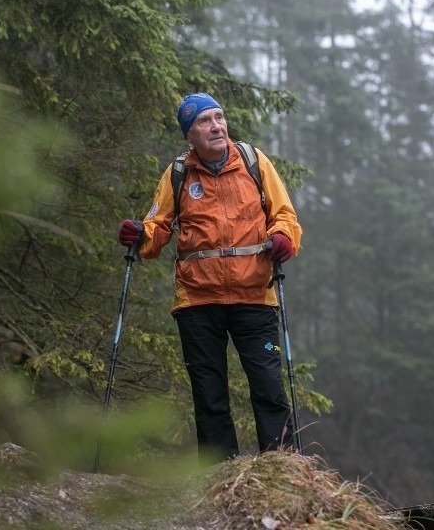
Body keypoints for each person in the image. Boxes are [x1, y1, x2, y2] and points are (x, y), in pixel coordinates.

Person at [117, 92, 303, 460]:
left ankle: (283, 470)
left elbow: (285, 216)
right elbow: (157, 230)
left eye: (219, 117)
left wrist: (283, 238)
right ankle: (221, 476)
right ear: (190, 134)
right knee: (209, 396)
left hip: (255, 296)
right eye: (205, 121)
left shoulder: (253, 161)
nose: (216, 126)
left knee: (269, 389)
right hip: (197, 303)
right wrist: (140, 234)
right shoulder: (178, 173)